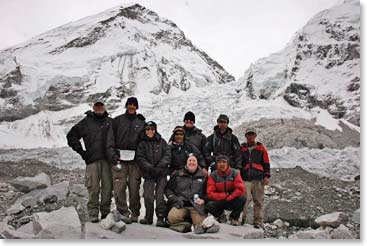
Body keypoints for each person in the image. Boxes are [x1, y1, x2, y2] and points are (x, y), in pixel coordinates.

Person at [66, 101, 114, 223]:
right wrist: (82, 152)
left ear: (104, 108)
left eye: (101, 107)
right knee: (93, 188)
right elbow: (71, 136)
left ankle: (105, 213)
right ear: (93, 109)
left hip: (108, 161)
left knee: (108, 188)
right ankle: (93, 213)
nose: (99, 109)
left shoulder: (110, 122)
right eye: (96, 108)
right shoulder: (86, 122)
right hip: (92, 160)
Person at [110, 97, 145, 224]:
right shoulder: (117, 121)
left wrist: (141, 157)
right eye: (129, 104)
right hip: (120, 158)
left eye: (134, 105)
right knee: (119, 186)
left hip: (135, 160)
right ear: (126, 106)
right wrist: (113, 155)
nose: (131, 107)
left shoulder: (141, 122)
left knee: (134, 187)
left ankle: (135, 213)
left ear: (136, 107)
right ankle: (123, 212)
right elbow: (110, 139)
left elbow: (143, 142)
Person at [136, 121, 171, 227]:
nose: (150, 131)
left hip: (161, 173)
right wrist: (150, 168)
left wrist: (160, 167)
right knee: (148, 196)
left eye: (152, 129)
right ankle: (148, 217)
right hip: (148, 174)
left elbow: (167, 155)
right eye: (148, 129)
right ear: (145, 130)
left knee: (160, 196)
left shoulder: (162, 142)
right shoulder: (142, 144)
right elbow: (140, 157)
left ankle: (161, 217)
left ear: (155, 130)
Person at [165, 154, 207, 233]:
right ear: (186, 163)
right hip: (181, 204)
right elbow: (168, 189)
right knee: (172, 218)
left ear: (197, 163)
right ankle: (185, 225)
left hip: (196, 206)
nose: (191, 162)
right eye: (189, 160)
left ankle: (194, 221)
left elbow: (208, 192)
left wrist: (204, 200)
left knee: (201, 224)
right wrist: (174, 199)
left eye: (194, 160)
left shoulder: (203, 176)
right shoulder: (177, 174)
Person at [240, 128, 270, 229]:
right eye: (248, 134)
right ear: (246, 136)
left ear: (255, 135)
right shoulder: (242, 148)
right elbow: (239, 162)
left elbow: (266, 163)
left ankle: (258, 222)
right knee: (244, 200)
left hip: (258, 178)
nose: (250, 136)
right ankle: (241, 220)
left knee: (258, 201)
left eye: (252, 134)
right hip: (245, 179)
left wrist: (266, 176)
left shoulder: (261, 148)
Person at [206, 155, 245, 226]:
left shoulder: (235, 173)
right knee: (209, 204)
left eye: (224, 162)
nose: (222, 164)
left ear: (228, 163)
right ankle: (221, 216)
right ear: (216, 164)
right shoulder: (213, 176)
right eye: (219, 162)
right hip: (220, 200)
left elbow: (240, 189)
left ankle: (234, 217)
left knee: (242, 198)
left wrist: (230, 196)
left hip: (232, 199)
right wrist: (224, 195)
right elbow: (210, 193)